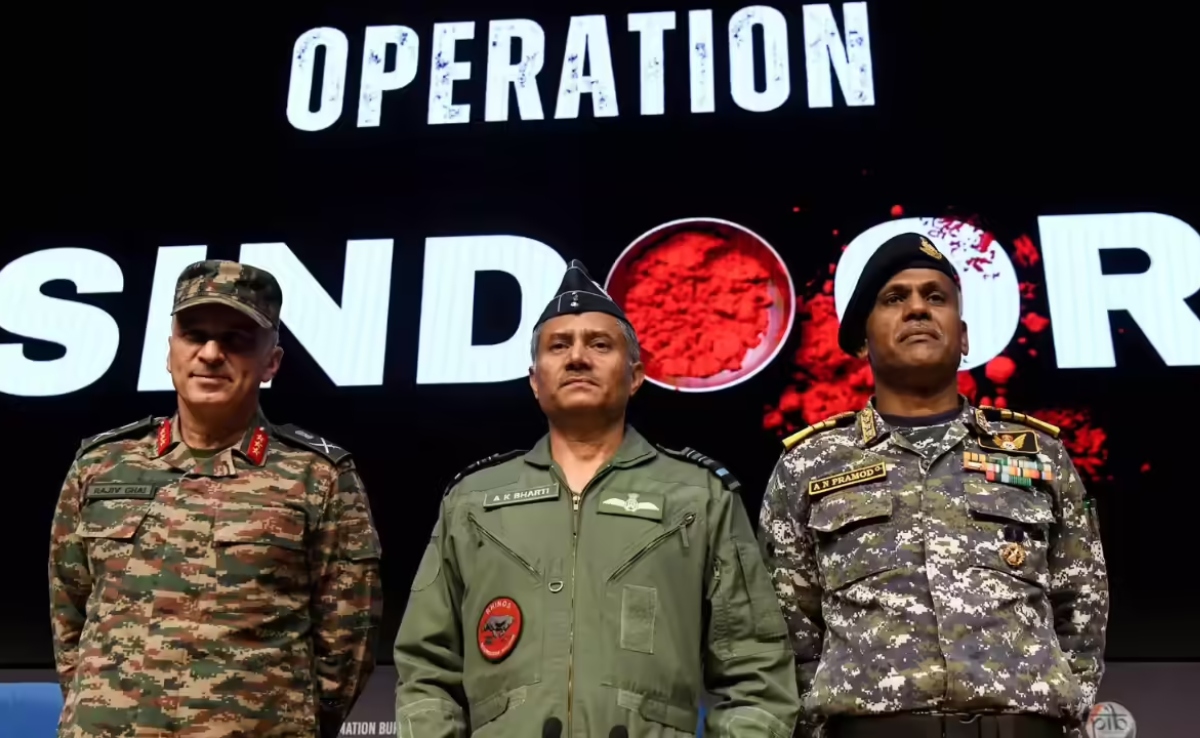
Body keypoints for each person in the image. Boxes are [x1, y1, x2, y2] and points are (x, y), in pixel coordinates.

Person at [394, 260, 800, 737]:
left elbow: (756, 673)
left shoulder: (698, 496)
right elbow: (425, 670)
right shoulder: (473, 501)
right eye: (558, 345)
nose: (577, 358)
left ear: (636, 376)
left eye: (599, 344)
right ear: (534, 380)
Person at [758, 234, 1109, 738]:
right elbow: (788, 626)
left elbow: (1082, 602)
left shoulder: (1038, 455)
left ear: (963, 338)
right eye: (894, 298)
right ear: (862, 340)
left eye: (935, 296)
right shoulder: (808, 465)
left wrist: (1062, 712)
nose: (918, 308)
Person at [49, 260, 383, 738]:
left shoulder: (319, 477)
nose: (210, 354)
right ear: (170, 352)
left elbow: (346, 646)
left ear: (271, 362)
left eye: (235, 340)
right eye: (194, 335)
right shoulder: (100, 466)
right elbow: (69, 621)